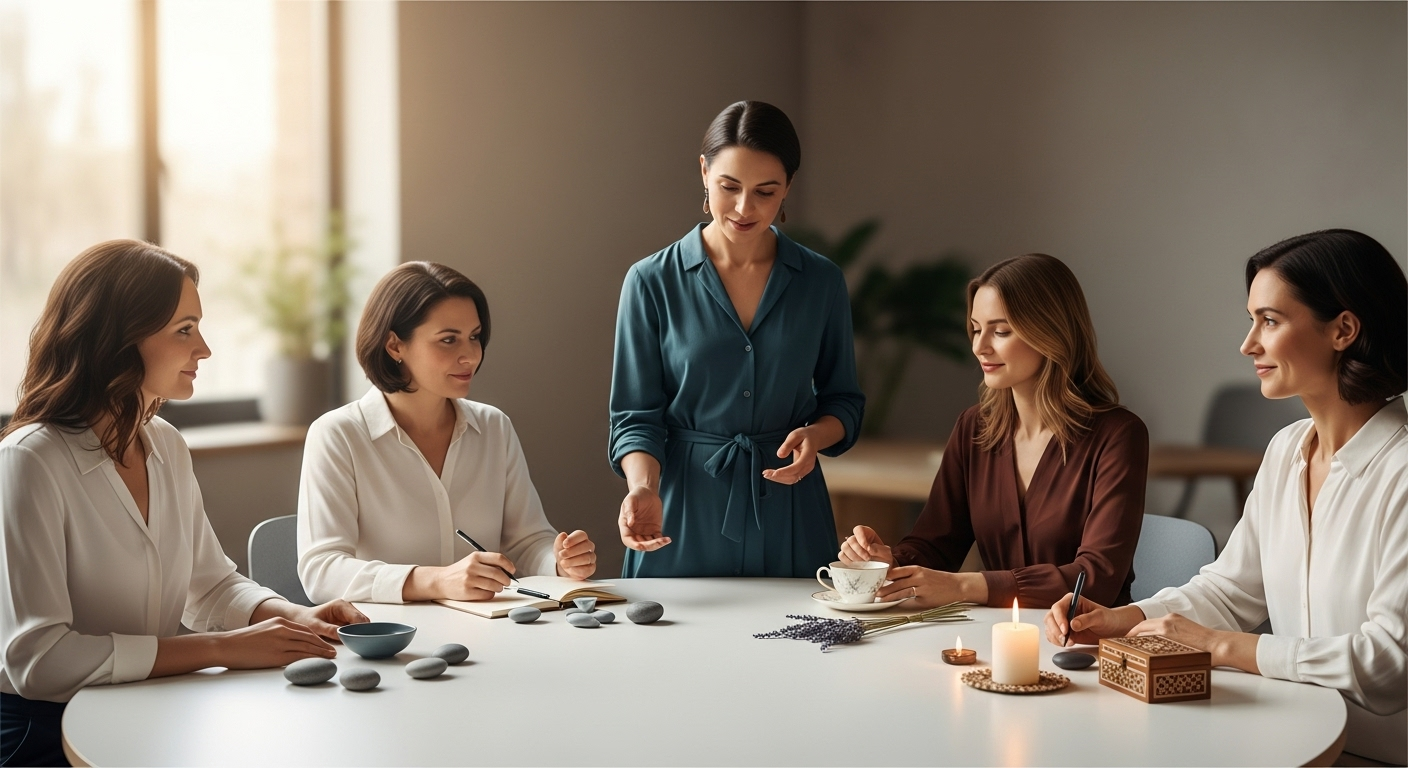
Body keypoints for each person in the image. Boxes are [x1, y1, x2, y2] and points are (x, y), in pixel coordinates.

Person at [1045, 229, 1406, 765]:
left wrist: (1221, 647)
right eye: (1251, 319)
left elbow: (1389, 663)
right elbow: (1232, 589)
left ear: (1344, 330)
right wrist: (1128, 617)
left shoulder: (1401, 471)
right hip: (1288, 738)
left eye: (1270, 320)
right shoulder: (1286, 450)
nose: (1248, 344)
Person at [0, 240, 366, 767]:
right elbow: (41, 659)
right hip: (41, 732)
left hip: (148, 705)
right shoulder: (29, 461)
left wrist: (289, 617)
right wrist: (222, 650)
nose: (205, 349)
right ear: (118, 338)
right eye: (184, 329)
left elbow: (210, 584)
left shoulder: (165, 444)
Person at [609, 100, 865, 578]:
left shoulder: (821, 281)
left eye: (766, 192)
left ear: (789, 186)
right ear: (704, 173)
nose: (745, 208)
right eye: (730, 187)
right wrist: (642, 487)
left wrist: (816, 435)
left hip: (791, 507)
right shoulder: (650, 281)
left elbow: (844, 401)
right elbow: (634, 415)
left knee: (800, 647)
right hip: (681, 509)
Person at [840, 253, 1148, 609]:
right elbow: (936, 547)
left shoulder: (1119, 435)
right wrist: (888, 561)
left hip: (1084, 644)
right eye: (975, 328)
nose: (979, 346)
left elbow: (1095, 580)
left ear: (1050, 332)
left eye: (1000, 331)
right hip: (995, 634)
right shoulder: (974, 427)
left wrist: (967, 587)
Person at [298, 262, 597, 604]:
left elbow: (526, 543)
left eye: (474, 337)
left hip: (491, 634)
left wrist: (558, 561)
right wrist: (436, 581)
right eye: (448, 339)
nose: (470, 355)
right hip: (393, 642)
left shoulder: (494, 427)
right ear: (395, 346)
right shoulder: (338, 435)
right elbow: (321, 571)